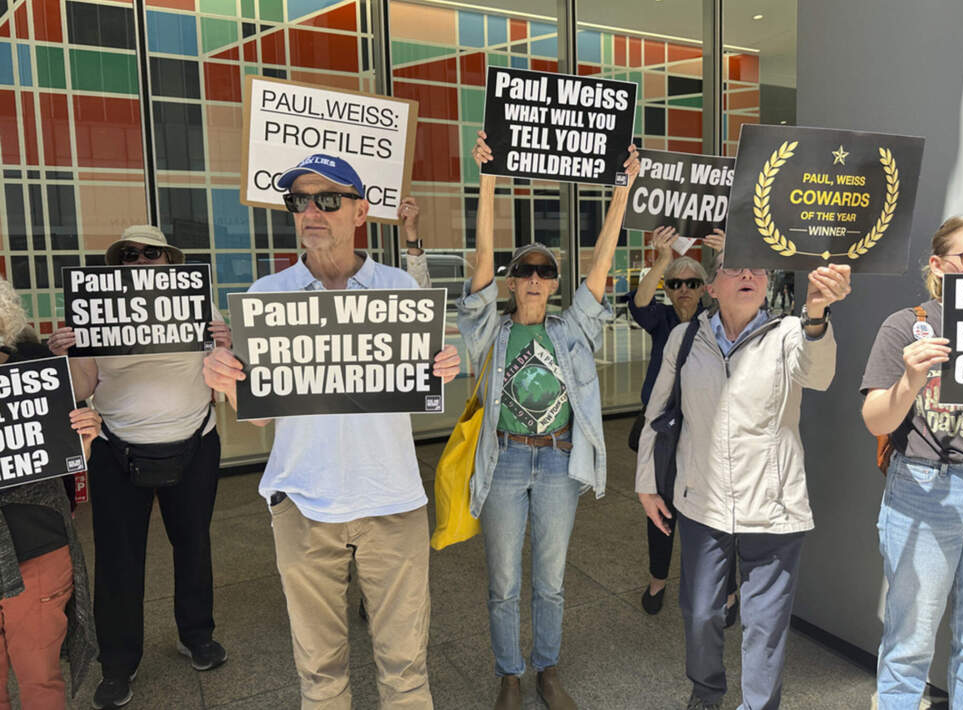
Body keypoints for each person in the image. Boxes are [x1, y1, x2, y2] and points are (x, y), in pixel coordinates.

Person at [202, 152, 461, 710]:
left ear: (361, 210)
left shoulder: (399, 288)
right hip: (302, 503)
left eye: (327, 199)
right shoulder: (268, 294)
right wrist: (224, 377)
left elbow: (423, 382)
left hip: (392, 501)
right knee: (319, 679)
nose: (310, 212)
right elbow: (258, 414)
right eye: (300, 201)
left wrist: (445, 365)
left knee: (407, 673)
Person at [456, 131, 639, 710]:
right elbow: (480, 262)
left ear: (556, 284)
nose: (534, 277)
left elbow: (603, 263)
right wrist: (487, 177)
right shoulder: (493, 331)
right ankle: (509, 673)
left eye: (545, 271)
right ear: (512, 282)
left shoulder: (571, 330)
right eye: (524, 270)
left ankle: (547, 669)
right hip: (506, 459)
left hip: (559, 461)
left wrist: (621, 190)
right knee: (504, 582)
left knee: (552, 581)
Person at [636, 255, 851, 710]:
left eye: (758, 268)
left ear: (768, 281)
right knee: (699, 613)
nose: (749, 275)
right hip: (702, 501)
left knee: (765, 624)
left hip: (773, 506)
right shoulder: (685, 336)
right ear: (712, 287)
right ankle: (707, 690)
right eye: (735, 268)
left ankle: (757, 705)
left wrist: (816, 315)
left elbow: (820, 375)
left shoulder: (790, 333)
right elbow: (657, 413)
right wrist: (647, 483)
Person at [47, 225, 232, 709]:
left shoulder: (199, 304)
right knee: (118, 560)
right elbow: (84, 384)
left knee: (193, 545)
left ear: (170, 261)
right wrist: (69, 355)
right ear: (116, 263)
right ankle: (117, 664)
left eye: (151, 253)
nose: (139, 260)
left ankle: (197, 636)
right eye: (128, 253)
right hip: (117, 448)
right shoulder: (93, 310)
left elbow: (221, 375)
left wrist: (226, 346)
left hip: (194, 442)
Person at [861, 216, 963, 710]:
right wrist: (910, 379)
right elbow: (876, 418)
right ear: (939, 266)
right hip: (925, 487)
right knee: (911, 640)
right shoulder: (907, 324)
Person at [627, 227, 739, 620]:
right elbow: (639, 304)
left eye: (692, 283)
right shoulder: (662, 320)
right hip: (664, 432)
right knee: (659, 504)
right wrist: (661, 260)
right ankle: (658, 579)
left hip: (707, 427)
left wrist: (730, 255)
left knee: (717, 511)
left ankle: (726, 590)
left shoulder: (716, 320)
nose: (684, 289)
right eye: (676, 284)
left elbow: (742, 296)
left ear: (705, 287)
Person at [0, 274, 100, 708]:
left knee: (40, 680)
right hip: (34, 544)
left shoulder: (33, 372)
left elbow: (66, 457)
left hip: (34, 547)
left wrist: (86, 438)